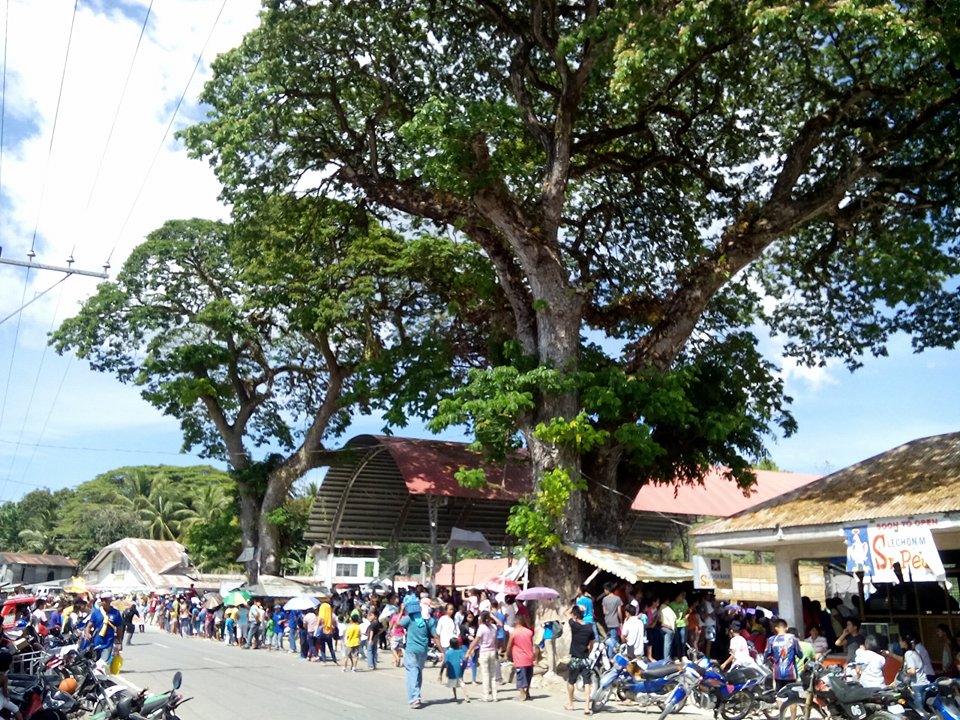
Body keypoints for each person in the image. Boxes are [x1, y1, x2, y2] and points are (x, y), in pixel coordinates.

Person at [399, 596, 439, 709]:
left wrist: (402, 611)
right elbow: (435, 636)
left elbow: (398, 625)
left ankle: (415, 698)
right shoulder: (430, 620)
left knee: (412, 672)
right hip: (423, 650)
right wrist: (442, 651)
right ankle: (417, 695)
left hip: (411, 650)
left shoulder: (411, 617)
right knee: (418, 672)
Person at [565, 605, 595, 716]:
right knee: (587, 682)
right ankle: (586, 707)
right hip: (585, 658)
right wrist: (589, 651)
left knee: (571, 681)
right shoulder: (589, 627)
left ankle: (571, 704)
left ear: (575, 615)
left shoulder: (574, 626)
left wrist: (575, 606)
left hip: (575, 658)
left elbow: (567, 613)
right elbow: (592, 643)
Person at [467, 610, 501, 702]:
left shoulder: (481, 628)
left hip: (484, 652)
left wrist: (469, 650)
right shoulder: (493, 627)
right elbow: (501, 625)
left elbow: (476, 641)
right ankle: (495, 696)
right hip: (492, 651)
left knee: (485, 674)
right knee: (493, 675)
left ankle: (486, 696)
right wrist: (493, 616)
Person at [763, 619, 802, 691]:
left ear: (776, 628)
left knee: (779, 695)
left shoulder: (771, 640)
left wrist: (772, 662)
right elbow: (800, 654)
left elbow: (766, 655)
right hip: (791, 674)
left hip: (778, 673)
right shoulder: (793, 639)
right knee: (792, 696)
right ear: (786, 628)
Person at [506, 614, 536, 701]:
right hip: (529, 657)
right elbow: (531, 644)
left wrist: (508, 655)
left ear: (515, 622)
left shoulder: (513, 633)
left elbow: (509, 646)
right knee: (528, 676)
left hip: (520, 659)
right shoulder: (529, 632)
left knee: (520, 677)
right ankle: (527, 693)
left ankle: (522, 694)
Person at [89, 593, 123, 666]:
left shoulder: (116, 613)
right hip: (96, 642)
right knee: (95, 664)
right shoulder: (96, 613)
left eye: (106, 600)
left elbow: (119, 628)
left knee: (103, 664)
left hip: (108, 642)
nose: (103, 602)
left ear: (110, 601)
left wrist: (119, 641)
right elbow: (89, 626)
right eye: (102, 600)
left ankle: (101, 676)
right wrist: (87, 634)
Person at [443, 637, 470, 703]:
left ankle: (455, 696)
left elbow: (446, 662)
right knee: (461, 682)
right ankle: (466, 695)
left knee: (453, 684)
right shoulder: (460, 651)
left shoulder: (448, 652)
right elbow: (464, 658)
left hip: (451, 669)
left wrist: (446, 670)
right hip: (458, 668)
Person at [436, 604, 458, 679]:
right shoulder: (442, 619)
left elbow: (455, 632)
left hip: (451, 642)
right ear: (446, 610)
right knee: (446, 659)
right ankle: (440, 673)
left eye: (452, 609)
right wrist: (438, 642)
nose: (451, 611)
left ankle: (448, 673)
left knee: (450, 659)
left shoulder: (453, 620)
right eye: (450, 609)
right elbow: (438, 632)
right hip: (444, 642)